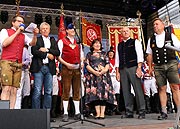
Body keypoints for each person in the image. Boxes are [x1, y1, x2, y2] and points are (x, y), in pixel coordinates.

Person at [0, 15, 39, 109]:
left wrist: (34, 35)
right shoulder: (5, 31)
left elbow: (32, 43)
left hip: (18, 63)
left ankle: (12, 111)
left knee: (14, 90)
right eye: (18, 21)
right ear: (13, 22)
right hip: (7, 62)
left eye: (22, 22)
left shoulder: (23, 35)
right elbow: (4, 43)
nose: (20, 23)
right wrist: (17, 32)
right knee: (6, 88)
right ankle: (4, 111)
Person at [146, 18, 180, 120]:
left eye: (157, 24)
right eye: (154, 25)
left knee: (175, 87)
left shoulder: (170, 36)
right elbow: (149, 55)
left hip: (171, 64)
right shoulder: (151, 39)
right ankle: (164, 111)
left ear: (162, 26)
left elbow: (179, 48)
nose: (155, 26)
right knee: (161, 88)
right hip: (158, 66)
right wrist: (150, 67)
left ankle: (179, 111)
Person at [115, 26, 146, 119]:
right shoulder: (119, 45)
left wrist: (139, 68)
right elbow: (117, 59)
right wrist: (117, 72)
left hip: (133, 67)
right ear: (121, 34)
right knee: (125, 90)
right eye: (123, 31)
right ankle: (129, 111)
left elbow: (140, 55)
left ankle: (142, 110)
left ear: (130, 32)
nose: (125, 32)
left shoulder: (135, 42)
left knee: (137, 89)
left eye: (127, 31)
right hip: (122, 69)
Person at [30, 22, 60, 110]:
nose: (45, 30)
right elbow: (34, 51)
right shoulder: (37, 39)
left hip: (49, 68)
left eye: (47, 28)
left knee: (48, 92)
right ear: (40, 30)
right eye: (43, 28)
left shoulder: (52, 40)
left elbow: (57, 52)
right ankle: (36, 113)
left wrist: (47, 50)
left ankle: (46, 114)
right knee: (37, 91)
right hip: (39, 67)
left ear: (49, 30)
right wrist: (47, 55)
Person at [57, 23, 84, 122]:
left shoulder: (78, 43)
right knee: (66, 89)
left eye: (73, 28)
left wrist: (82, 61)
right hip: (66, 68)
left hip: (77, 68)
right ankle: (65, 112)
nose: (73, 30)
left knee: (77, 90)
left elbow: (82, 55)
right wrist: (66, 64)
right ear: (67, 31)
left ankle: (77, 112)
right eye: (70, 29)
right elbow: (58, 56)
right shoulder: (62, 41)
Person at [84, 39, 114, 119]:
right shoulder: (89, 54)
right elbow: (87, 65)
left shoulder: (104, 54)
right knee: (95, 95)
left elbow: (107, 64)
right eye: (95, 43)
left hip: (103, 76)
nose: (97, 45)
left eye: (99, 43)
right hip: (93, 76)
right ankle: (97, 113)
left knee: (103, 94)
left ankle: (102, 113)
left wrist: (103, 71)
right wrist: (94, 72)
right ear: (92, 45)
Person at [15, 44, 31, 109]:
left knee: (23, 90)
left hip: (22, 70)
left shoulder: (24, 50)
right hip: (14, 70)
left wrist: (22, 64)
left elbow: (28, 60)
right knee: (17, 91)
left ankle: (21, 107)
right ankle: (16, 107)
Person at [107, 49, 121, 115]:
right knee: (110, 93)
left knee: (117, 92)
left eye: (112, 53)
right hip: (109, 77)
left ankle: (117, 108)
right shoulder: (106, 61)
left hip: (116, 77)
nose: (110, 54)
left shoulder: (116, 61)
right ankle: (110, 109)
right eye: (109, 53)